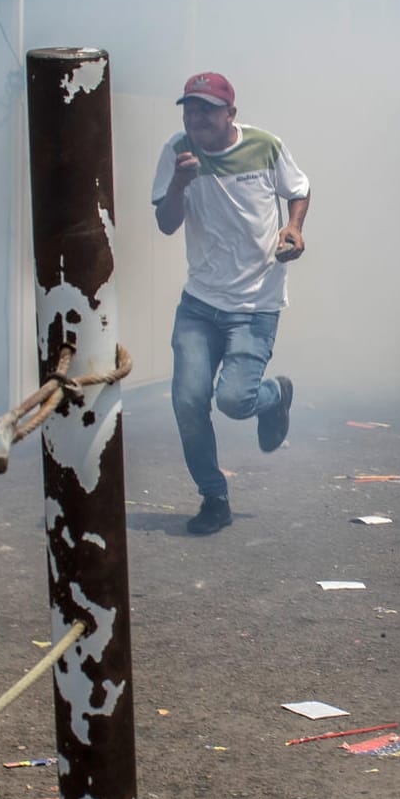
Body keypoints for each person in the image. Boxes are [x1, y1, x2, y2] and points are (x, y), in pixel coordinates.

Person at [152, 71, 309, 535]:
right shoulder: (177, 151)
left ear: (230, 114)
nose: (196, 118)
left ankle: (275, 395)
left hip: (256, 304)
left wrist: (294, 229)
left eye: (206, 109)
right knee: (187, 401)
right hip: (199, 304)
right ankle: (213, 498)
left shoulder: (266, 146)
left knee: (236, 402)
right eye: (190, 109)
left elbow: (298, 189)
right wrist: (181, 183)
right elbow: (165, 223)